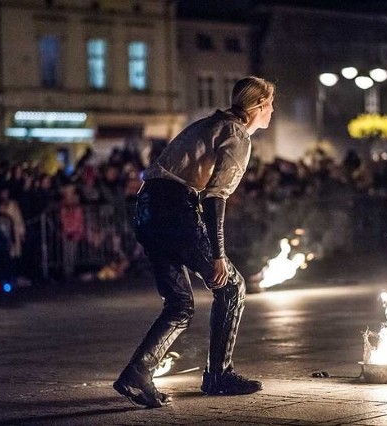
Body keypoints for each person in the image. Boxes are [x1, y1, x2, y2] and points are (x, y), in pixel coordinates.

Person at [113, 76, 276, 408]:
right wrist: (218, 254)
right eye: (270, 104)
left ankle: (136, 375)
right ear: (257, 106)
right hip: (175, 210)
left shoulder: (210, 124)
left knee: (180, 305)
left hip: (147, 209)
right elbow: (216, 197)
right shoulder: (235, 133)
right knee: (231, 286)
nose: (272, 110)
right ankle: (219, 375)